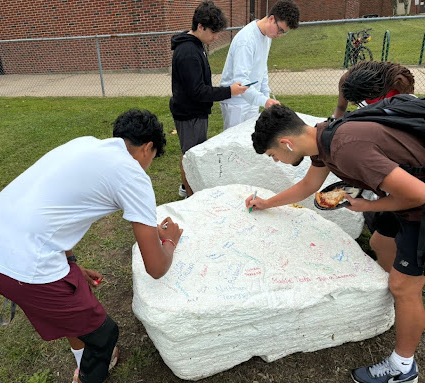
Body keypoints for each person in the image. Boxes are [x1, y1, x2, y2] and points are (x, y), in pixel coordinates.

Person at [0, 109, 183, 383]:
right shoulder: (133, 174)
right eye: (152, 159)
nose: (148, 166)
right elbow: (156, 267)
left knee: (75, 295)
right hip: (23, 268)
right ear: (147, 148)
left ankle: (81, 359)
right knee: (105, 336)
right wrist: (169, 241)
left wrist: (70, 265)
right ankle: (86, 376)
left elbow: (53, 209)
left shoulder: (84, 144)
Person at [246, 104, 424, 383]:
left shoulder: (346, 149)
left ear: (286, 143)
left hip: (417, 202)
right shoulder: (321, 138)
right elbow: (308, 186)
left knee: (404, 285)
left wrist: (366, 204)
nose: (276, 161)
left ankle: (403, 368)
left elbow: (419, 194)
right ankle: (402, 301)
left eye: (273, 156)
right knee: (379, 242)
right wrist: (266, 203)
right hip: (401, 194)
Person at [334, 61, 416, 273]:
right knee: (379, 241)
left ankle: (402, 278)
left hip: (411, 181)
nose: (352, 103)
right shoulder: (353, 86)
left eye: (356, 99)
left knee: (389, 244)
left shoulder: (396, 106)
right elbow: (340, 110)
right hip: (399, 177)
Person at [170, 0, 248, 198]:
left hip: (195, 110)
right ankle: (190, 195)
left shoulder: (197, 44)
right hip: (189, 113)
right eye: (213, 32)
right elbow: (198, 91)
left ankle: (186, 187)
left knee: (193, 152)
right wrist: (229, 91)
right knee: (190, 155)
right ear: (200, 26)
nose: (215, 37)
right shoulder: (188, 52)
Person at [219, 0, 299, 130]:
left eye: (283, 33)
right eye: (280, 30)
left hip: (253, 98)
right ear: (271, 19)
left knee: (250, 141)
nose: (279, 35)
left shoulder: (267, 36)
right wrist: (264, 101)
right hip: (236, 103)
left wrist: (265, 97)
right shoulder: (246, 40)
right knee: (233, 142)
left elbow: (262, 68)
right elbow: (240, 81)